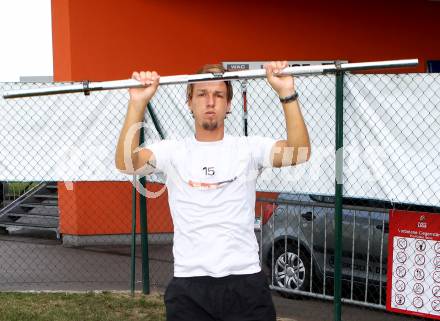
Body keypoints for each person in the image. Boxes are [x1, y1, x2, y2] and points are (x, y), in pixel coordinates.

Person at [115, 61, 311, 321]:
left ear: (228, 105)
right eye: (202, 94)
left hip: (245, 282)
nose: (210, 102)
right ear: (190, 102)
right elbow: (126, 163)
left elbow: (299, 152)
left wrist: (287, 92)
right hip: (190, 286)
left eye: (218, 95)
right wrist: (137, 102)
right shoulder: (172, 151)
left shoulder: (248, 149)